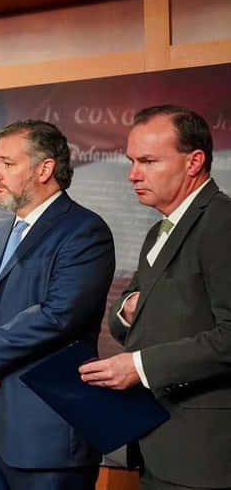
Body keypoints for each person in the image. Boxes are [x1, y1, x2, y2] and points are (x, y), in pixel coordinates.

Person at [0, 120, 115, 490]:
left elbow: (59, 315)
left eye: (7, 164)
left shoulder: (84, 231)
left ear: (44, 169)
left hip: (47, 438)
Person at [79, 105, 231, 489]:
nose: (132, 174)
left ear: (194, 161)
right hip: (158, 445)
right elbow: (128, 313)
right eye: (132, 160)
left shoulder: (223, 223)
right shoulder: (158, 231)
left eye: (148, 161)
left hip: (207, 458)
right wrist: (128, 310)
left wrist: (139, 367)